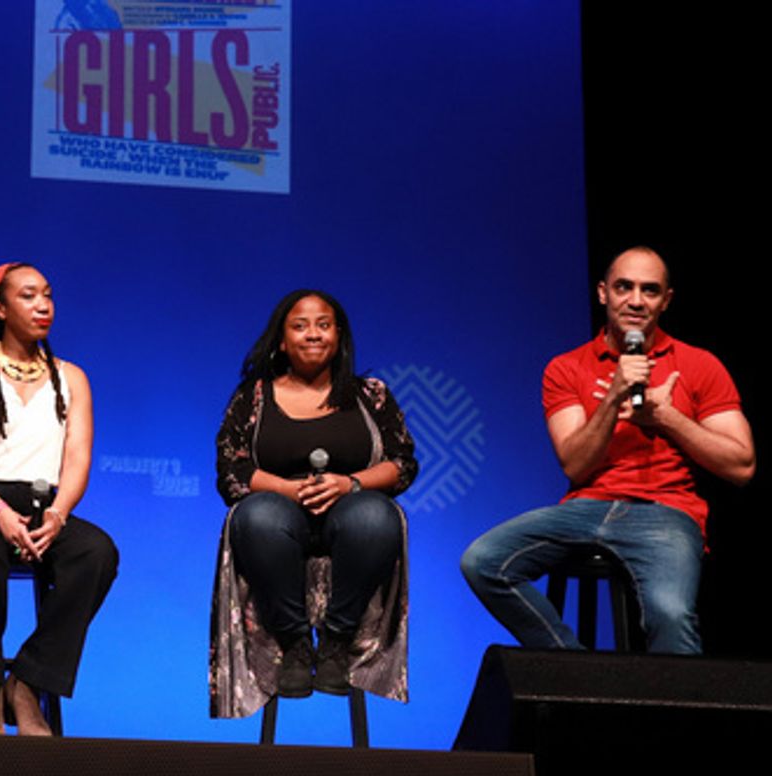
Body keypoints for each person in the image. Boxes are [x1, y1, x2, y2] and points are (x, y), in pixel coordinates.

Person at [461, 247, 754, 655]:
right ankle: (579, 672)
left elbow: (741, 465)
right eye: (624, 287)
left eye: (649, 290)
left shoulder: (699, 365)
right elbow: (576, 465)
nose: (635, 300)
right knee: (483, 560)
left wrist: (666, 418)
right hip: (586, 507)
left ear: (666, 300)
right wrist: (614, 396)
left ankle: (679, 718)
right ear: (603, 293)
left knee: (669, 615)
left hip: (666, 511)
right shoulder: (567, 368)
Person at [0, 262, 118, 735]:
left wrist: (58, 513)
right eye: (29, 296)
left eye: (48, 295)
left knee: (96, 552)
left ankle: (29, 682)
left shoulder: (70, 376)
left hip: (43, 507)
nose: (43, 305)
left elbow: (77, 459)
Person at [211, 289, 415, 716]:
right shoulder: (254, 396)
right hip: (279, 512)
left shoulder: (370, 394)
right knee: (257, 515)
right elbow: (232, 470)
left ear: (339, 335)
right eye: (300, 326)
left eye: (323, 324)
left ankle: (337, 643)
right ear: (282, 340)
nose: (313, 334)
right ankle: (296, 644)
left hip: (351, 507)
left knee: (377, 517)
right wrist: (288, 489)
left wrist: (349, 483)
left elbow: (402, 463)